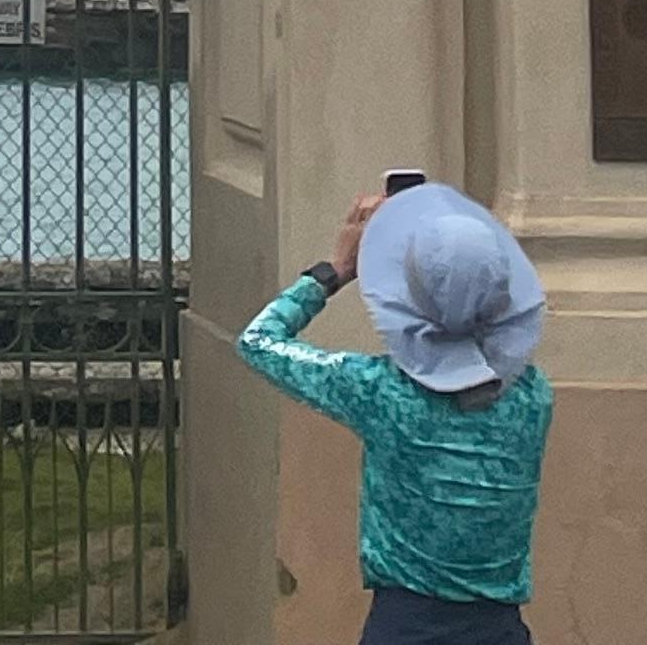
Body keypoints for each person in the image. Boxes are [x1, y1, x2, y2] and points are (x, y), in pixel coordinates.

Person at [235, 176, 551, 645]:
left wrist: (337, 268)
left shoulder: (378, 392)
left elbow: (258, 341)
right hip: (499, 629)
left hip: (404, 627)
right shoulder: (533, 398)